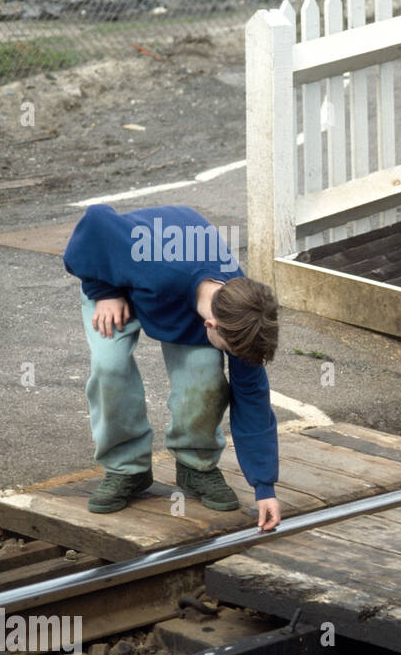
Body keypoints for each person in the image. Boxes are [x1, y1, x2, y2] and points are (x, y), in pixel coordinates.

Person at [63, 204, 282, 531]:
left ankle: (196, 466)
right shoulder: (158, 262)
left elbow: (252, 396)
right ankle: (127, 470)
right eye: (230, 350)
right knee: (110, 368)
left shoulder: (241, 314)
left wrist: (264, 487)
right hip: (116, 280)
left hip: (172, 294)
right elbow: (95, 222)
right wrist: (104, 291)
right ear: (211, 325)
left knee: (206, 375)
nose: (234, 358)